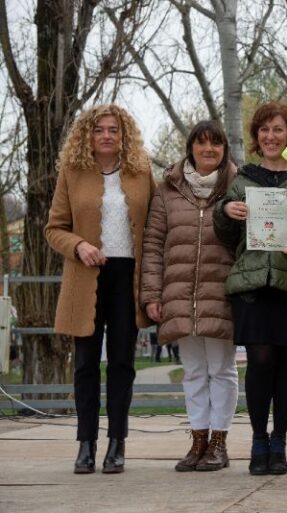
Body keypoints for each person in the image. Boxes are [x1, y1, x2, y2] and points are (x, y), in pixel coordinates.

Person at [213, 102, 287, 476]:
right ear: (256, 137)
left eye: (278, 130)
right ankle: (258, 438)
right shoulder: (242, 179)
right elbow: (226, 235)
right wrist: (225, 211)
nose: (270, 137)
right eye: (264, 130)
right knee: (260, 361)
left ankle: (279, 440)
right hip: (254, 283)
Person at [45, 104, 155, 474]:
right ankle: (86, 444)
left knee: (123, 363)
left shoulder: (141, 173)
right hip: (85, 276)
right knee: (86, 364)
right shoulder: (72, 173)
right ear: (87, 136)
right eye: (99, 130)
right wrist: (79, 245)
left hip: (128, 278)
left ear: (124, 136)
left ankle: (117, 443)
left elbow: (156, 227)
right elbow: (54, 227)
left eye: (113, 130)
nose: (106, 136)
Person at [140, 120, 239, 472]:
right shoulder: (167, 189)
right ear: (191, 147)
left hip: (221, 293)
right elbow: (152, 244)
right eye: (202, 143)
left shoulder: (237, 186)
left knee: (222, 370)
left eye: (216, 143)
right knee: (194, 371)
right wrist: (152, 293)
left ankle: (219, 442)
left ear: (224, 149)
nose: (208, 149)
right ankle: (198, 440)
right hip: (179, 294)